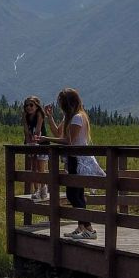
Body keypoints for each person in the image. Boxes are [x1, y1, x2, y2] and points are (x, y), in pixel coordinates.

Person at [38, 87, 103, 240]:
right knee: (76, 194)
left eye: (61, 103)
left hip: (78, 160)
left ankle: (90, 229)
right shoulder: (72, 117)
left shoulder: (77, 118)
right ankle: (82, 227)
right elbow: (58, 134)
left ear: (68, 103)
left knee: (74, 194)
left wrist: (46, 139)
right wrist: (50, 118)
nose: (60, 106)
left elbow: (69, 141)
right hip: (73, 159)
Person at [21, 96, 51, 199]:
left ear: (37, 106)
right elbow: (26, 131)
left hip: (41, 143)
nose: (28, 107)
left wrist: (34, 142)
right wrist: (29, 145)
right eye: (26, 105)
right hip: (31, 142)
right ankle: (37, 190)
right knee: (33, 167)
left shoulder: (40, 114)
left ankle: (43, 188)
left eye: (31, 105)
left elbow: (38, 130)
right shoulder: (25, 116)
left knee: (41, 168)